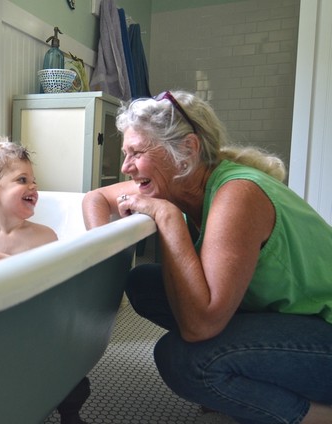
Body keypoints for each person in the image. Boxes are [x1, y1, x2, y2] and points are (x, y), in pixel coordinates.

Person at [82, 90, 332, 423]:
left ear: (187, 149)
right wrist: (102, 253)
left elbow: (200, 327)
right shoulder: (181, 183)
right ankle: (251, 373)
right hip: (289, 317)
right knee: (143, 282)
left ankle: (316, 416)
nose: (126, 167)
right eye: (125, 153)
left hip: (323, 330)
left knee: (186, 361)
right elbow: (95, 198)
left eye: (137, 152)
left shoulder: (238, 194)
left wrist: (168, 218)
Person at [0, 140, 90, 424]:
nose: (34, 187)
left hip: (38, 326)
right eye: (23, 180)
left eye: (34, 181)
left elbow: (60, 285)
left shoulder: (44, 236)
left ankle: (70, 413)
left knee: (71, 375)